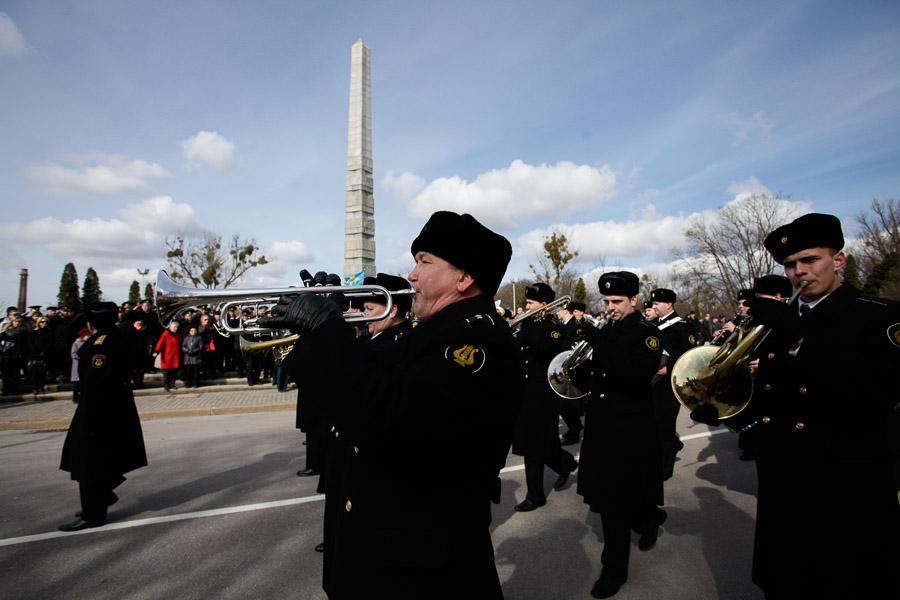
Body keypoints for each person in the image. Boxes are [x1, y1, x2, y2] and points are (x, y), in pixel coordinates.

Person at [262, 211, 523, 599]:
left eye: (424, 262)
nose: (412, 275)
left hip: (424, 565)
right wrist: (322, 326)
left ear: (464, 278)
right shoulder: (433, 333)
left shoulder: (476, 343)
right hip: (396, 548)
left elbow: (389, 418)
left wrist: (329, 331)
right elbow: (360, 384)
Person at [695, 213, 900, 599]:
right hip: (785, 476)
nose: (799, 271)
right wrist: (731, 411)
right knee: (787, 577)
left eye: (810, 259)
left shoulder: (879, 315)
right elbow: (776, 395)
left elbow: (874, 393)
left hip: (847, 482)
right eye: (790, 264)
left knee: (844, 580)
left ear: (837, 260)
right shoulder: (783, 321)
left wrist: (802, 332)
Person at [577, 272, 664, 598]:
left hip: (629, 429)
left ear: (633, 300)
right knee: (612, 494)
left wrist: (599, 343)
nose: (610, 307)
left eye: (616, 301)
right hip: (602, 424)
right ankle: (649, 518)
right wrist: (579, 373)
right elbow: (600, 374)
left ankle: (614, 569)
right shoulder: (608, 330)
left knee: (615, 499)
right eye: (607, 301)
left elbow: (634, 376)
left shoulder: (647, 333)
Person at [58, 302, 148, 530]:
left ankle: (94, 513)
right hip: (108, 408)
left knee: (88, 462)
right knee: (96, 460)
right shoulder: (115, 337)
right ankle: (100, 498)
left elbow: (98, 381)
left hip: (98, 410)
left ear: (93, 322)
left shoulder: (102, 343)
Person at [511, 283, 578, 512]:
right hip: (525, 391)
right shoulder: (528, 324)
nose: (526, 306)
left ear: (544, 304)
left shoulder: (553, 327)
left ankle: (535, 495)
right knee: (541, 442)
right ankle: (565, 464)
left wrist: (528, 323)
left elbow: (540, 349)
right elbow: (518, 349)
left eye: (530, 303)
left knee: (533, 444)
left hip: (543, 394)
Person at [649, 288, 698, 480]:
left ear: (669, 304)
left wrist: (668, 368)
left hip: (669, 384)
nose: (653, 307)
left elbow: (690, 356)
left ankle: (665, 467)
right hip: (653, 383)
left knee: (665, 426)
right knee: (654, 424)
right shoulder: (653, 325)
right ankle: (669, 448)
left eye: (656, 304)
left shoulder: (682, 327)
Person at [154, 321, 182, 392]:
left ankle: (172, 384)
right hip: (167, 357)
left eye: (177, 327)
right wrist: (156, 351)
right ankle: (166, 385)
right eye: (174, 327)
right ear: (170, 327)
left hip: (175, 356)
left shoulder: (178, 335)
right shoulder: (165, 334)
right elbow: (160, 343)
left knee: (174, 372)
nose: (176, 328)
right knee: (166, 372)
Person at [69, 327, 91, 403]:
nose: (89, 337)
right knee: (77, 383)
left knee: (83, 382)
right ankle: (75, 397)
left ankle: (83, 396)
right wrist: (81, 357)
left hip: (86, 365)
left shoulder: (89, 343)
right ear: (83, 335)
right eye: (87, 335)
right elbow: (73, 354)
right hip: (77, 365)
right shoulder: (76, 343)